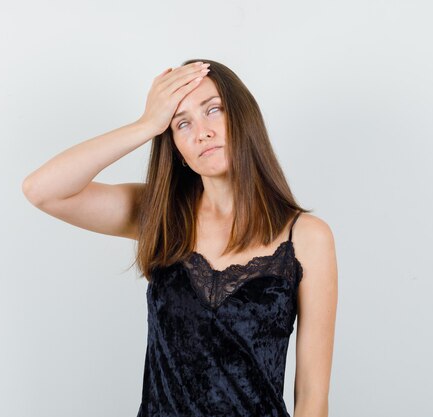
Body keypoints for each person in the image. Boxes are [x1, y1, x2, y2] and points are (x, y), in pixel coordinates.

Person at [22, 59, 338, 417]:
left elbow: (312, 396)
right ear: (176, 149)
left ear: (243, 117)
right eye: (182, 123)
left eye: (213, 110)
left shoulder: (307, 238)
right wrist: (146, 125)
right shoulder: (158, 215)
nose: (201, 132)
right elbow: (42, 190)